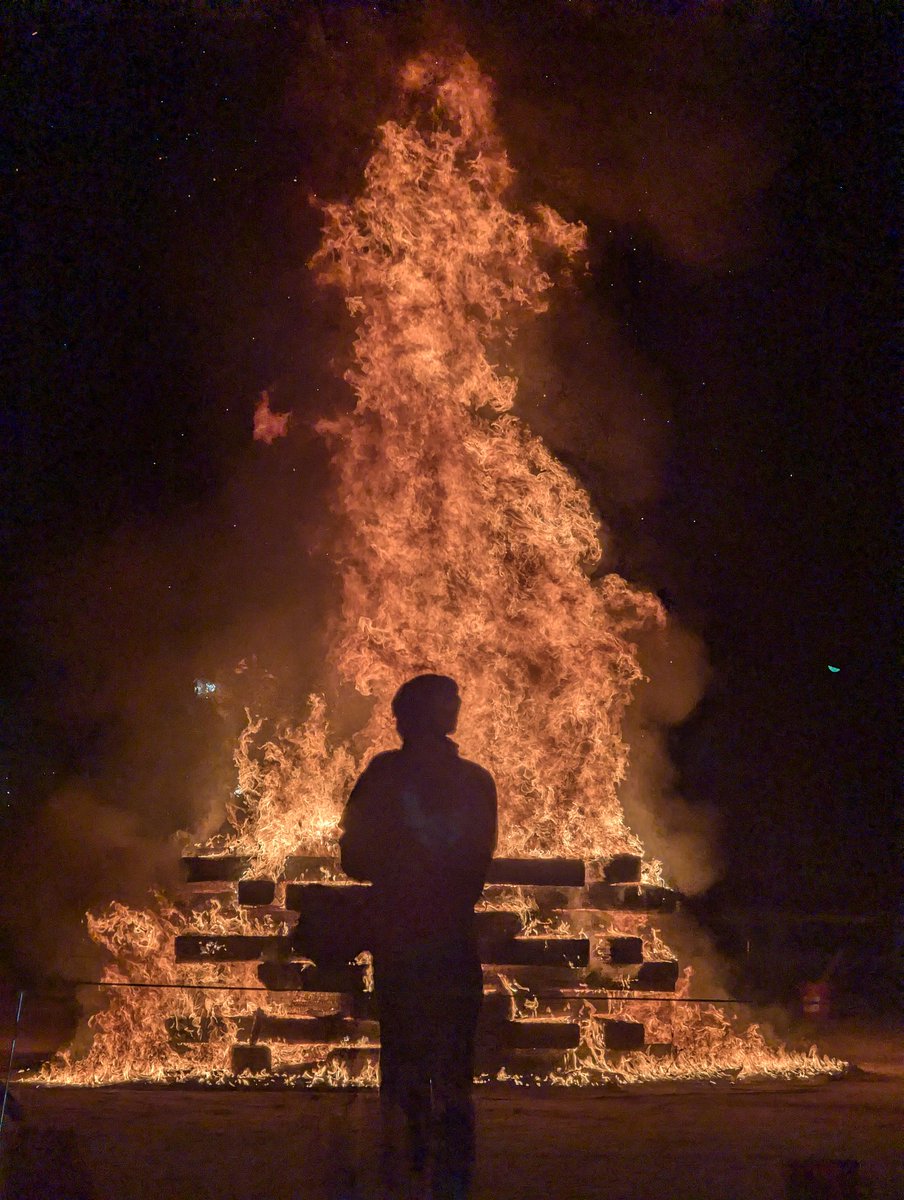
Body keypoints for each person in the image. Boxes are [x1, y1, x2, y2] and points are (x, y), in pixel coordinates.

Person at [339, 674, 497, 1200]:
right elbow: (477, 867)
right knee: (454, 1069)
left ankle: (404, 1170)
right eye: (451, 701)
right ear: (434, 714)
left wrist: (397, 873)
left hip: (400, 939)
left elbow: (353, 859)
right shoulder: (475, 782)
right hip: (450, 938)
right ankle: (452, 1182)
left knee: (403, 1056)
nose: (458, 707)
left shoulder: (382, 775)